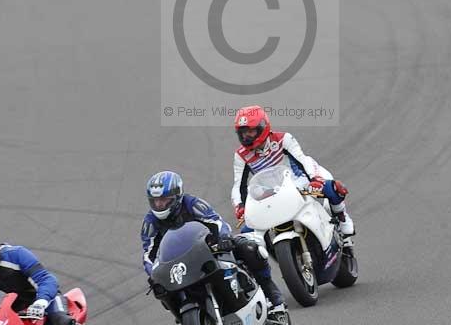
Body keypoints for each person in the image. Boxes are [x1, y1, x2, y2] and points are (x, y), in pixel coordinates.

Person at [141, 170, 285, 308]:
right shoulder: (150, 222)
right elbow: (149, 253)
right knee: (161, 289)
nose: (159, 205)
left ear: (177, 196)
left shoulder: (192, 204)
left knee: (248, 248)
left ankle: (270, 290)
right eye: (155, 201)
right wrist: (152, 272)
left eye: (164, 200)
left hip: (207, 249)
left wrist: (223, 238)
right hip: (177, 263)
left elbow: (216, 221)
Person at [231, 106, 355, 242]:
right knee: (246, 238)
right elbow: (238, 185)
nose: (246, 136)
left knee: (334, 188)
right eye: (242, 133)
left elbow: (303, 160)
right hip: (270, 194)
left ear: (262, 127)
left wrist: (315, 179)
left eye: (250, 131)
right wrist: (240, 206)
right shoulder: (241, 155)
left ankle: (343, 218)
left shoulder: (283, 139)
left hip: (298, 183)